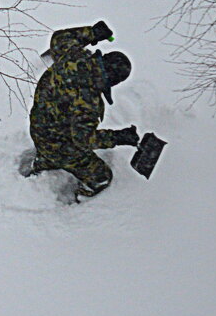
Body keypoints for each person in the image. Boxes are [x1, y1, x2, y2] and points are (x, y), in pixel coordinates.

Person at [27, 21, 139, 200]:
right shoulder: (88, 102)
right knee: (101, 176)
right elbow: (83, 140)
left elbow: (59, 38)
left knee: (57, 128)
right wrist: (118, 137)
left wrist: (92, 33)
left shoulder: (73, 56)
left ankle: (44, 161)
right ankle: (82, 197)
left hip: (38, 127)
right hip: (55, 143)